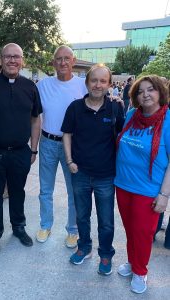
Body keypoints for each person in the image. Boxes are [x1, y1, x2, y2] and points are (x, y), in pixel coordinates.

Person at [61, 64, 125, 275]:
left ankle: (105, 255)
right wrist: (69, 161)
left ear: (109, 84)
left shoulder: (116, 108)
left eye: (102, 81)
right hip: (80, 173)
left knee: (106, 221)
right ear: (87, 83)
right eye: (93, 80)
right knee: (82, 217)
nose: (98, 85)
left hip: (106, 176)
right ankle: (84, 247)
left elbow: (122, 137)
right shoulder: (75, 108)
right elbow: (67, 134)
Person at [114, 75, 170, 294]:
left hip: (148, 190)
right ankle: (132, 262)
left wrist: (164, 194)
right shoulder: (131, 115)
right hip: (123, 185)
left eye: (151, 90)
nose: (145, 94)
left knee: (143, 233)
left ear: (160, 93)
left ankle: (140, 271)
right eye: (140, 91)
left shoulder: (167, 120)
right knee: (130, 230)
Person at [0, 43, 42, 255]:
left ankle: (19, 227)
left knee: (18, 192)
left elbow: (36, 119)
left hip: (20, 151)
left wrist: (33, 149)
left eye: (16, 57)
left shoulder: (30, 86)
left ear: (22, 60)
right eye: (8, 56)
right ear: (0, 59)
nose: (12, 60)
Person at [35, 45, 87, 247]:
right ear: (53, 62)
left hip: (72, 145)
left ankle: (72, 230)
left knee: (74, 191)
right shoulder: (42, 85)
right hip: (47, 141)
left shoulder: (83, 85)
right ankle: (45, 225)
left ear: (73, 61)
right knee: (45, 189)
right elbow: (34, 116)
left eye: (67, 58)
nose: (63, 62)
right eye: (59, 59)